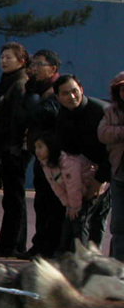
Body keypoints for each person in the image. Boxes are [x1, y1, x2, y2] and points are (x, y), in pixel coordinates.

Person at [54, 73, 111, 248]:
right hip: (84, 173)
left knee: (98, 220)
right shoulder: (62, 115)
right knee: (81, 219)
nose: (71, 97)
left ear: (81, 90)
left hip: (108, 171)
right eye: (65, 93)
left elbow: (113, 150)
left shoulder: (101, 111)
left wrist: (100, 179)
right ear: (57, 97)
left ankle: (93, 263)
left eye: (74, 91)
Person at [20, 49, 63, 258]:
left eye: (39, 65)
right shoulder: (36, 89)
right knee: (41, 202)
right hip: (40, 153)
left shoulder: (58, 90)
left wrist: (32, 96)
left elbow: (42, 114)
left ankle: (50, 248)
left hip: (56, 156)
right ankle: (40, 245)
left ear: (53, 68)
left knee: (54, 203)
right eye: (33, 64)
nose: (34, 69)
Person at [35, 131, 107, 252]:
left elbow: (74, 186)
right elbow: (57, 188)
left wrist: (75, 207)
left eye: (41, 147)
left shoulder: (68, 162)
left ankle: (83, 257)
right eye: (36, 147)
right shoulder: (46, 165)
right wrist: (67, 205)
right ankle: (65, 254)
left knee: (82, 222)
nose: (37, 151)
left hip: (93, 190)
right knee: (69, 223)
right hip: (78, 195)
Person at [0, 41, 31, 257]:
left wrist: (13, 146)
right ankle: (12, 243)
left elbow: (17, 120)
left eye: (9, 57)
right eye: (2, 57)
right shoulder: (7, 81)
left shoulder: (20, 84)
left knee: (14, 197)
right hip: (8, 146)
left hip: (15, 148)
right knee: (12, 197)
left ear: (22, 61)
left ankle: (11, 244)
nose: (4, 61)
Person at [98, 72, 124, 261]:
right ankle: (118, 263)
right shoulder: (111, 111)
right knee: (118, 224)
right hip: (119, 173)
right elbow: (103, 133)